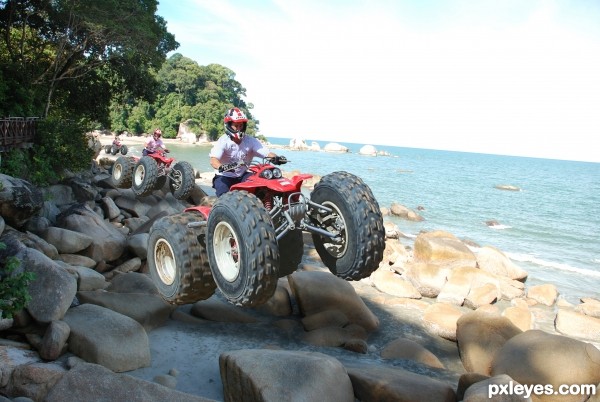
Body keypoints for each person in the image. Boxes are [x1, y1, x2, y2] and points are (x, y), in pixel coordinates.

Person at [209, 107, 286, 197]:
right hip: (224, 176)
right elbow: (214, 160)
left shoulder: (250, 141)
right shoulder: (223, 141)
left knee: (262, 187)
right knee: (224, 197)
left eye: (241, 126)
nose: (239, 129)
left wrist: (277, 159)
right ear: (229, 126)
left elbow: (267, 153)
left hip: (243, 175)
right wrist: (223, 167)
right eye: (236, 126)